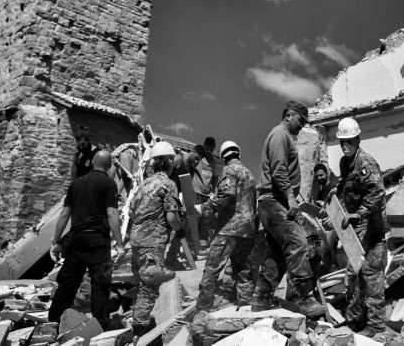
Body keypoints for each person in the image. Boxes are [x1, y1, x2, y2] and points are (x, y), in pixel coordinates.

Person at [249, 100, 324, 318]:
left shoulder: (283, 136)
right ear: (289, 115)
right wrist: (291, 197)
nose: (302, 126)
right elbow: (278, 170)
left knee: (279, 254)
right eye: (301, 120)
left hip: (272, 202)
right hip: (273, 201)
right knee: (297, 241)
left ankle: (261, 297)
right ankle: (305, 297)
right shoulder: (280, 135)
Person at [48, 150, 124, 329]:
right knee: (100, 284)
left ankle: (53, 322)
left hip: (76, 241)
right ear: (108, 165)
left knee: (68, 284)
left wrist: (56, 242)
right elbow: (112, 213)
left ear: (92, 163)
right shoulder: (108, 184)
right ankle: (100, 325)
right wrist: (119, 244)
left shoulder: (76, 183)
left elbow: (65, 214)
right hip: (98, 241)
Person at [128, 140, 185, 343]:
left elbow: (132, 211)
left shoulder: (143, 185)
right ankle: (140, 334)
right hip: (153, 242)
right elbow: (172, 217)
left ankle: (140, 322)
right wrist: (180, 230)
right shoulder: (169, 184)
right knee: (148, 287)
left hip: (136, 242)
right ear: (169, 163)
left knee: (140, 283)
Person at [336, 117, 387, 337]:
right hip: (356, 231)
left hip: (372, 229)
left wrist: (359, 213)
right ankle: (355, 321)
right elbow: (345, 187)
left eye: (349, 141)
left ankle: (375, 326)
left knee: (371, 276)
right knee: (353, 274)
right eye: (342, 141)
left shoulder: (366, 162)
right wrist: (334, 195)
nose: (345, 145)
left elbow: (377, 194)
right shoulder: (344, 163)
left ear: (358, 139)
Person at [193, 140, 256, 317]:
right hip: (248, 230)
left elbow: (227, 194)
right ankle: (246, 309)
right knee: (243, 270)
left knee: (212, 269)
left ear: (223, 156)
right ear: (238, 153)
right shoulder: (249, 173)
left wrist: (204, 207)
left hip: (229, 229)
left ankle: (202, 310)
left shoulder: (229, 170)